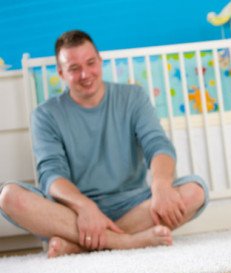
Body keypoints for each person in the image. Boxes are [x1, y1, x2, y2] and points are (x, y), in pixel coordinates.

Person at [0, 30, 209, 258]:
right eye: (74, 68)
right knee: (9, 196)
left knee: (194, 191)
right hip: (71, 210)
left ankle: (79, 244)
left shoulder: (133, 97)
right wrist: (84, 207)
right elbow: (50, 176)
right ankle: (123, 241)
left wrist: (161, 185)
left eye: (90, 63)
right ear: (61, 73)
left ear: (100, 60)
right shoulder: (45, 114)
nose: (85, 74)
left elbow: (158, 145)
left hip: (132, 204)